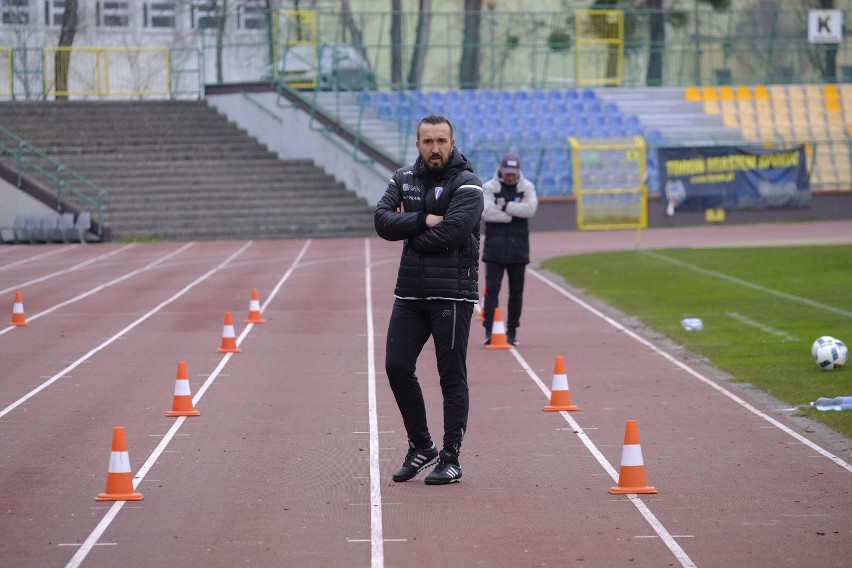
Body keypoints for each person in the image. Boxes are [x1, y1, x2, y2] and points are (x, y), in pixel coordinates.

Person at [374, 114, 483, 485]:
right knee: (395, 366)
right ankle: (421, 446)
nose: (434, 149)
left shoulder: (468, 184)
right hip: (409, 293)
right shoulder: (403, 178)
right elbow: (382, 221)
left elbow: (452, 233)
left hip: (452, 295)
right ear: (417, 145)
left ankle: (451, 457)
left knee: (451, 377)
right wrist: (423, 219)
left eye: (441, 141)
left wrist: (411, 235)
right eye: (427, 142)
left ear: (452, 144)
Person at [481, 152, 538, 346]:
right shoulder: (489, 187)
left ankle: (512, 331)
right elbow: (486, 212)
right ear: (501, 169)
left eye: (514, 173)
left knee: (516, 293)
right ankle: (490, 330)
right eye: (508, 173)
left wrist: (503, 207)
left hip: (519, 250)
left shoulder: (527, 187)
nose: (511, 177)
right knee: (492, 291)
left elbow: (530, 210)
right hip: (494, 250)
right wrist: (514, 211)